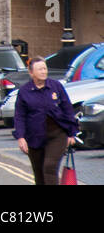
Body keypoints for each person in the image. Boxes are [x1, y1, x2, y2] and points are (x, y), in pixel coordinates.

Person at [15, 56, 79, 185]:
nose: (43, 72)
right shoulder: (24, 91)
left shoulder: (56, 86)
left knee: (49, 167)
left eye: (45, 68)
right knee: (39, 173)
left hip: (57, 135)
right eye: (40, 69)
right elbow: (20, 116)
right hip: (34, 137)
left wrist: (72, 133)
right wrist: (21, 137)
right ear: (31, 72)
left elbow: (67, 109)